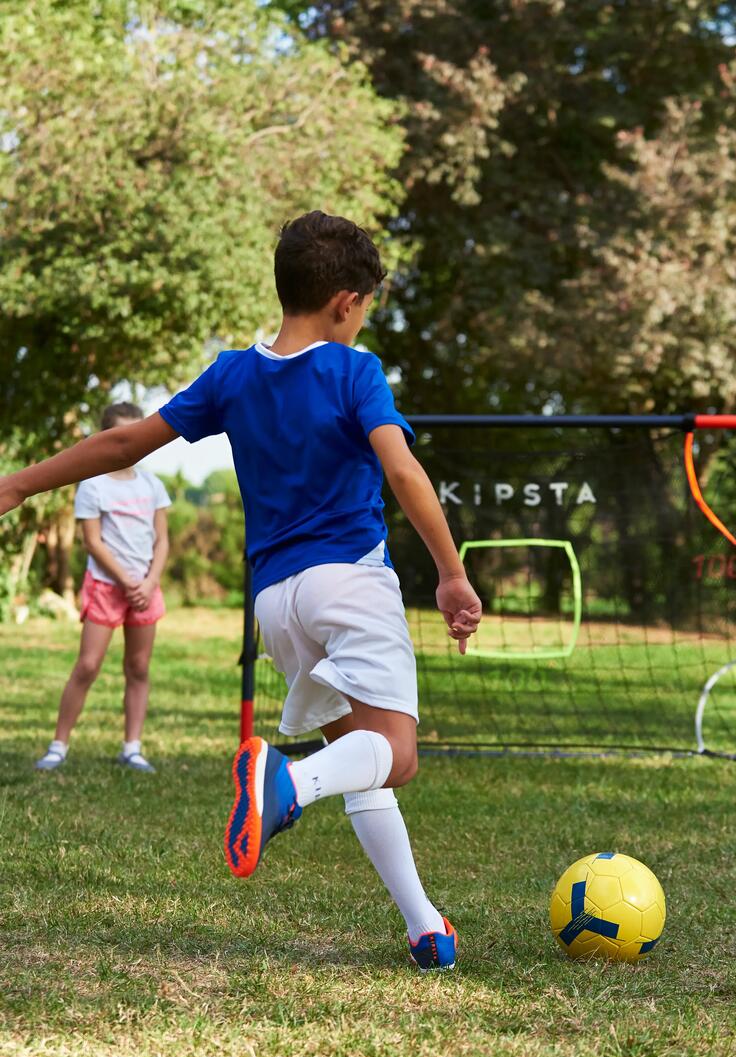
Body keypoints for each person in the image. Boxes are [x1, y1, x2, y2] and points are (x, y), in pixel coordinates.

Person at [0, 211, 481, 971]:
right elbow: (402, 470)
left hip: (277, 603)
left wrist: (21, 483)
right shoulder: (353, 370)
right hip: (349, 580)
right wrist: (452, 572)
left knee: (356, 751)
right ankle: (284, 781)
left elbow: (126, 442)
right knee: (395, 754)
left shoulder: (232, 373)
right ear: (346, 303)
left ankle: (424, 925)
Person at [35, 403, 170, 774]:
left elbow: (162, 541)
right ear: (106, 438)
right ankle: (58, 746)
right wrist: (126, 581)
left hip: (145, 588)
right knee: (88, 665)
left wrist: (148, 581)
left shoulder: (152, 485)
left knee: (139, 666)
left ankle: (132, 748)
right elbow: (93, 542)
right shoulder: (92, 485)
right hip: (107, 587)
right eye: (123, 435)